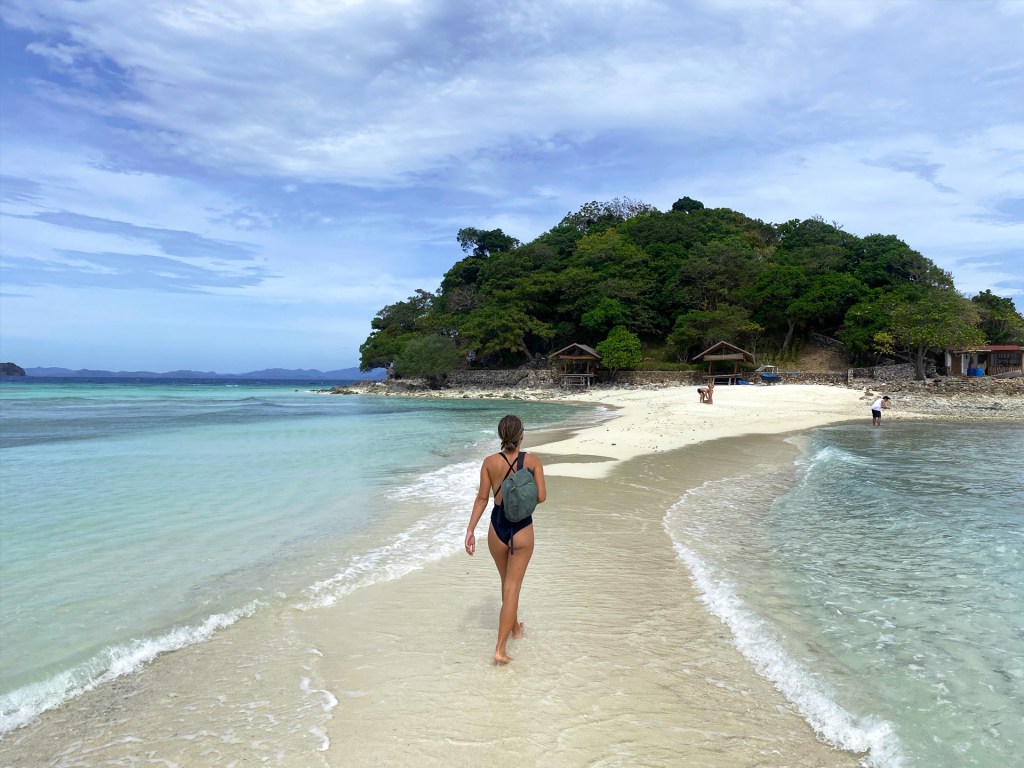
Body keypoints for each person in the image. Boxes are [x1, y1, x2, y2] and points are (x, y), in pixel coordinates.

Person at [465, 414, 547, 664]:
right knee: (513, 586)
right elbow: (542, 497)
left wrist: (470, 530)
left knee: (506, 583)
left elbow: (482, 498)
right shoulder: (532, 461)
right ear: (522, 434)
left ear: (501, 436)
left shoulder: (490, 462)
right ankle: (500, 649)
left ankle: (515, 631)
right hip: (521, 527)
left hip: (496, 528)